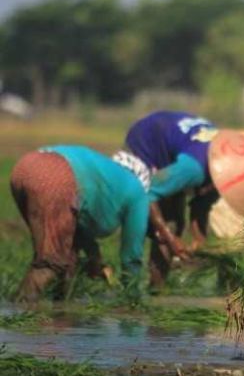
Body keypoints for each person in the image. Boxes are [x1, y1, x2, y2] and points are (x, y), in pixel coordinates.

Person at [9, 145, 174, 301]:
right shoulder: (138, 193)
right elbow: (131, 256)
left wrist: (95, 258)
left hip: (26, 166)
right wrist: (132, 298)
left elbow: (79, 228)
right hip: (54, 174)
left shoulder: (108, 176)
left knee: (65, 256)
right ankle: (19, 316)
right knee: (51, 263)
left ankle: (60, 313)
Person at [123, 111, 219, 287]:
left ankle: (157, 287)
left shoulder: (224, 171)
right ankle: (133, 287)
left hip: (176, 147)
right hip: (146, 141)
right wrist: (170, 238)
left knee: (175, 222)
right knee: (167, 222)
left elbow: (200, 206)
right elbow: (149, 193)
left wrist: (199, 244)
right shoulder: (194, 168)